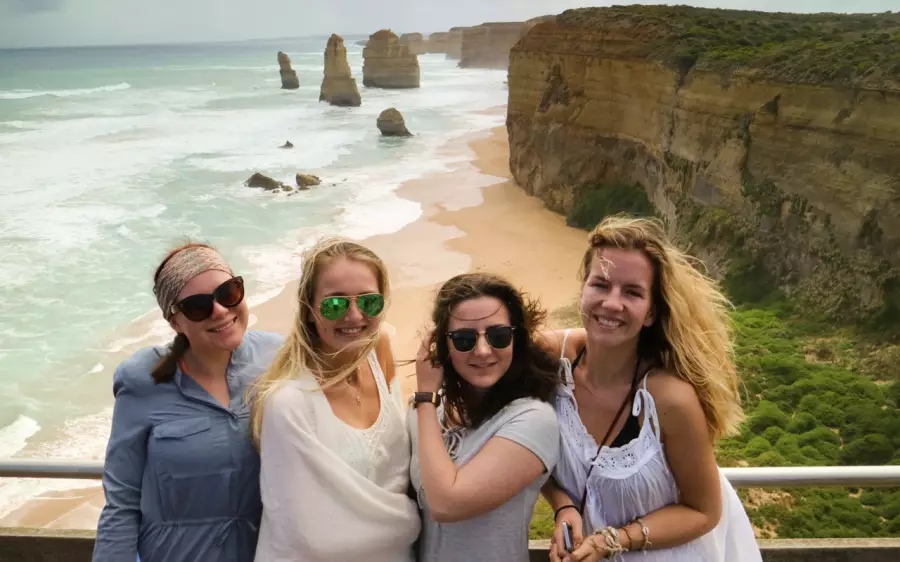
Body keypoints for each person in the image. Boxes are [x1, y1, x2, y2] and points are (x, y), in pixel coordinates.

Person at [541, 215, 761, 561]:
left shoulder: (669, 399)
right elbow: (521, 445)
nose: (612, 303)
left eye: (632, 292)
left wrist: (613, 540)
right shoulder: (550, 359)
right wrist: (562, 504)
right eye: (601, 285)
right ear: (583, 290)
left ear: (649, 313)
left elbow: (704, 511)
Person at [93, 243, 283, 562]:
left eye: (228, 293)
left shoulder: (277, 356)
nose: (219, 310)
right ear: (175, 322)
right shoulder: (141, 379)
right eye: (197, 306)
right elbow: (122, 503)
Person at [250, 237, 419, 562]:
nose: (355, 316)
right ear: (310, 310)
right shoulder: (289, 402)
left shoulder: (378, 350)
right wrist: (409, 522)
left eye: (369, 302)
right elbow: (309, 533)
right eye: (335, 304)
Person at [409, 272, 561, 562]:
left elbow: (446, 503)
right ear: (442, 344)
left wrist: (425, 398)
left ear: (516, 338)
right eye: (464, 339)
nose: (482, 350)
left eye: (498, 336)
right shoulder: (428, 413)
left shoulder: (533, 419)